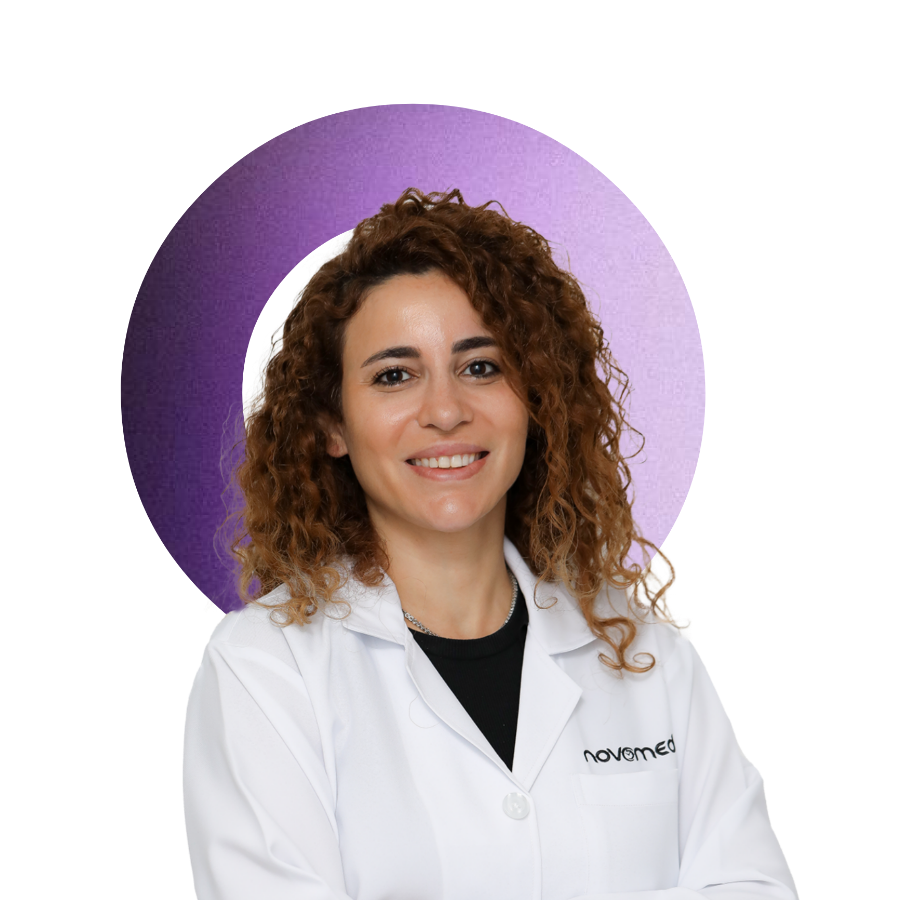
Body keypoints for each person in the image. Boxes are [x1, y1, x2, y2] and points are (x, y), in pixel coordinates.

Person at [184, 188, 799, 898]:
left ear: (534, 399)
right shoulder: (265, 670)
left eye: (481, 366)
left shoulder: (644, 644)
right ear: (332, 425)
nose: (446, 411)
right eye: (394, 375)